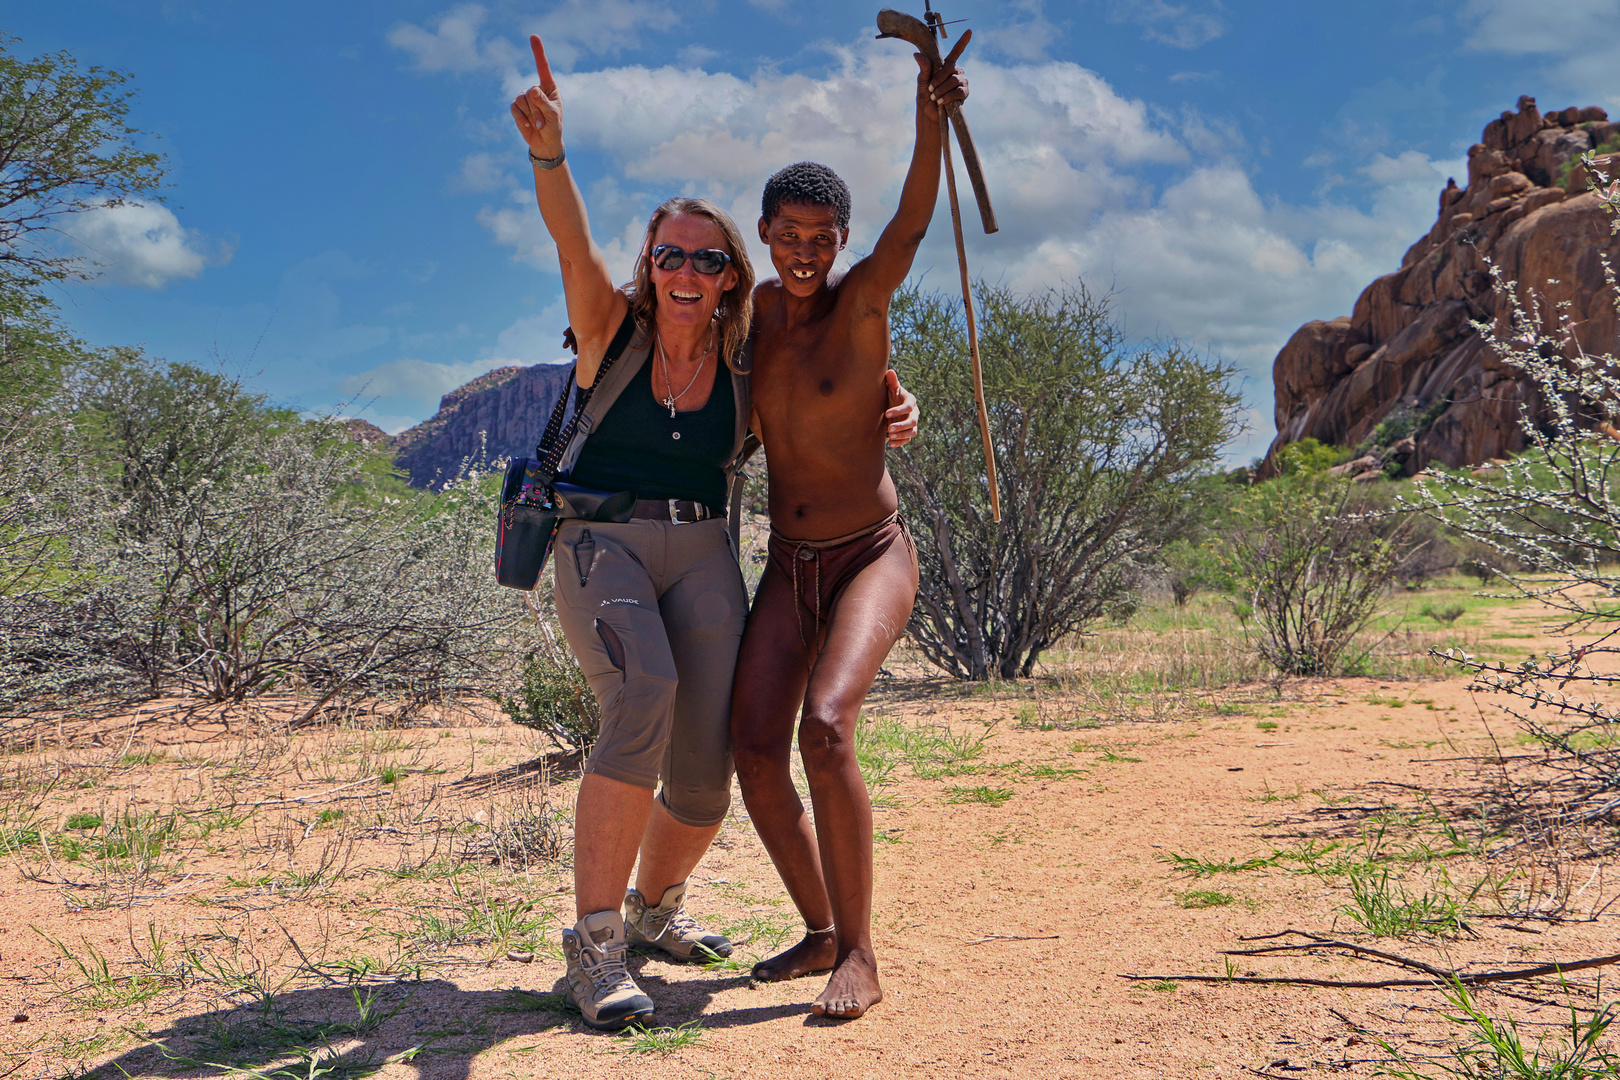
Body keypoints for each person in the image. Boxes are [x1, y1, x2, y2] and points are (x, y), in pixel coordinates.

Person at [507, 35, 919, 1031]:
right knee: (664, 701)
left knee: (710, 761)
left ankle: (661, 912)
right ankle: (600, 948)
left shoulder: (746, 350)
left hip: (728, 549)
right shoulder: (616, 330)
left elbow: (856, 335)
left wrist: (892, 398)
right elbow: (571, 241)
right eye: (670, 255)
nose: (687, 270)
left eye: (706, 257)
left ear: (730, 275)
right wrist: (551, 157)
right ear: (652, 265)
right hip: (609, 541)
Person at [729, 51, 968, 1019]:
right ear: (763, 234)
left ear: (840, 243)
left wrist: (929, 122)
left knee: (826, 730)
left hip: (872, 555)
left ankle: (861, 955)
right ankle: (821, 925)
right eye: (787, 236)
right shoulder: (749, 323)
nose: (802, 254)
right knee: (752, 747)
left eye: (820, 239)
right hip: (790, 565)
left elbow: (914, 222)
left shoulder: (863, 303)